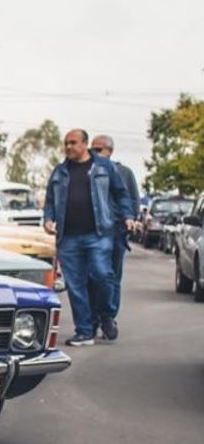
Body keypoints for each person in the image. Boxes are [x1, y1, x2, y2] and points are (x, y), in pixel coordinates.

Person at [42, 128, 134, 346]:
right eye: (66, 143)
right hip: (68, 237)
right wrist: (48, 219)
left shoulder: (104, 167)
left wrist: (128, 216)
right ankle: (84, 331)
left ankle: (106, 314)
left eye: (73, 142)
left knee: (103, 275)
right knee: (75, 285)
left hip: (99, 233)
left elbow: (121, 194)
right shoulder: (59, 172)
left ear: (85, 144)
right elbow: (49, 201)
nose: (69, 147)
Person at [89, 134, 140, 320]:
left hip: (117, 232)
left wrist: (129, 222)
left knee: (112, 276)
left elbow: (133, 200)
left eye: (96, 149)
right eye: (91, 149)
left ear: (108, 150)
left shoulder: (124, 172)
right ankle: (94, 318)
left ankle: (109, 316)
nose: (92, 153)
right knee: (94, 276)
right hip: (93, 232)